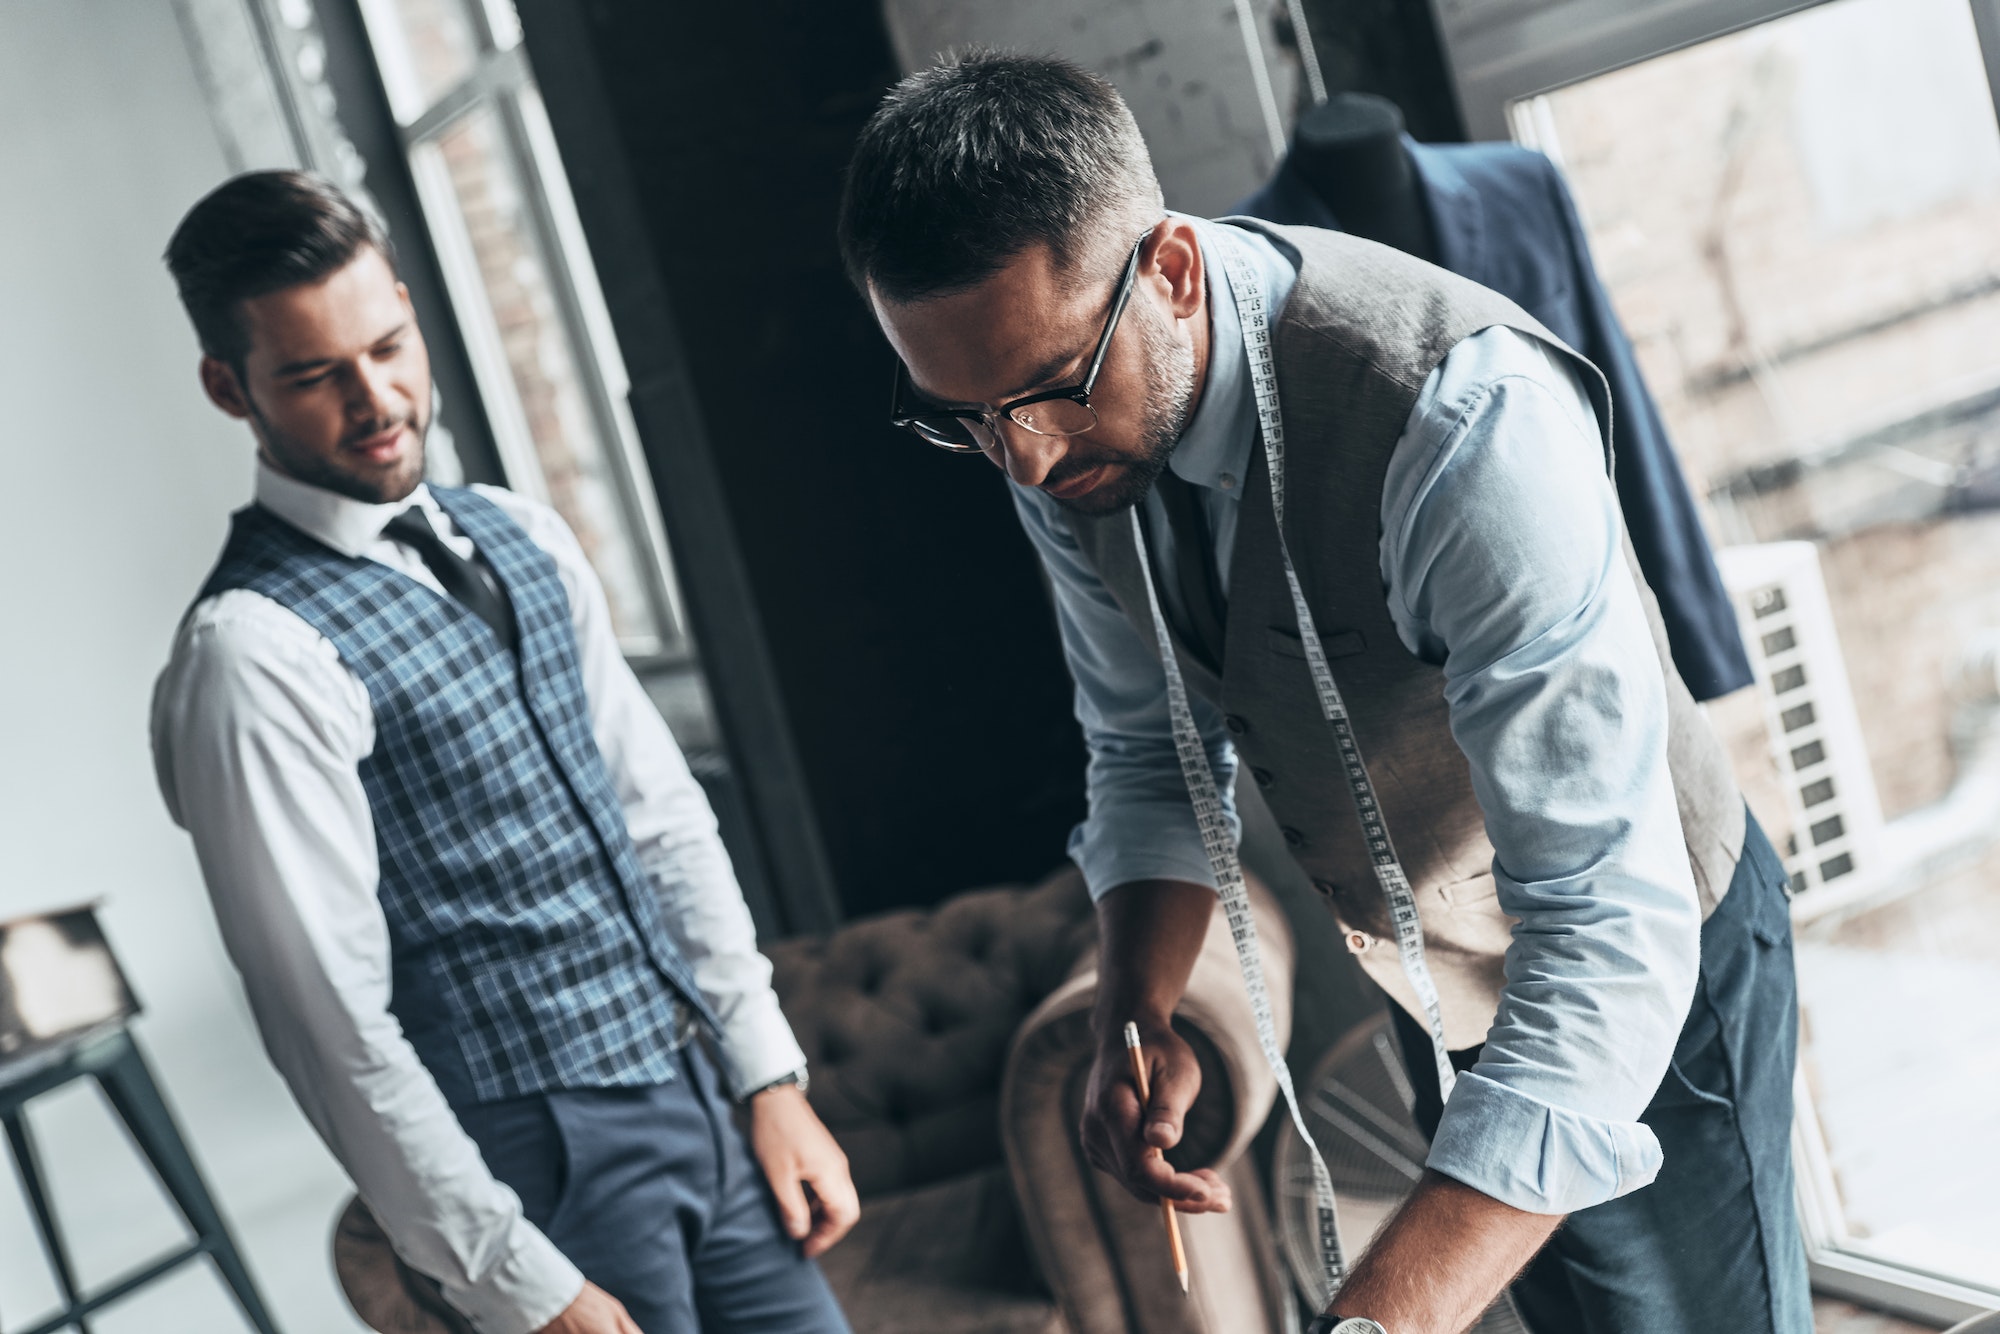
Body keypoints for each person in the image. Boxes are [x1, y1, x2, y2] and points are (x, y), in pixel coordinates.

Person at [838, 53, 1806, 1334]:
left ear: (1170, 267)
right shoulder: (1055, 428)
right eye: (962, 417)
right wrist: (1139, 1008)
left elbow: (1602, 926)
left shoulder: (1462, 422)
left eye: (1047, 391)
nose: (1019, 460)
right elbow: (1145, 748)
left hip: (1639, 963)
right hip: (1431, 971)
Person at [152, 171, 856, 1334]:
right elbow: (329, 1025)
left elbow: (661, 819)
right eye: (315, 374)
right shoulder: (251, 656)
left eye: (387, 344)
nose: (375, 398)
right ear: (230, 388)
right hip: (540, 1167)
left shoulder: (520, 531)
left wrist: (766, 1077)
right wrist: (516, 1279)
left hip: (701, 1102)